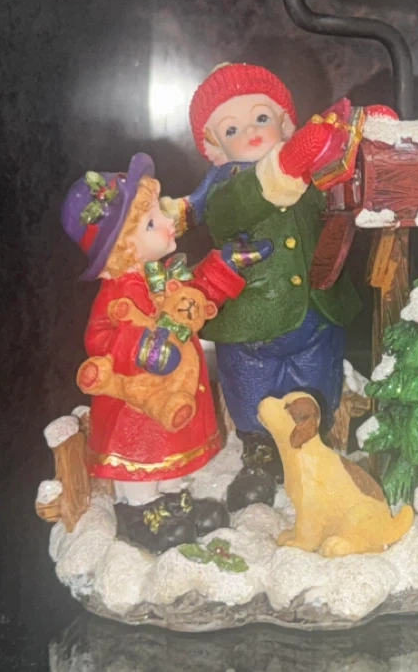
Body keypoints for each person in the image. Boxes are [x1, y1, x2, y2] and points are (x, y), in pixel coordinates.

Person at [169, 63, 369, 510]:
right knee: (251, 390)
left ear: (286, 123)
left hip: (315, 316)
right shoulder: (225, 186)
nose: (251, 132)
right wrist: (288, 164)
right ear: (215, 148)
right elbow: (232, 210)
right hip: (250, 324)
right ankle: (259, 456)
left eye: (262, 117)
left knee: (315, 387)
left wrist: (357, 143)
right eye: (232, 128)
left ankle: (311, 449)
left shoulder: (312, 170)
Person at [61, 153, 271, 550]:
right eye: (151, 222)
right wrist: (141, 348)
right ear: (123, 248)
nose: (168, 221)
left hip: (174, 394)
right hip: (136, 406)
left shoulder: (159, 277)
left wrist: (227, 265)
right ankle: (139, 510)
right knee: (142, 456)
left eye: (159, 212)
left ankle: (174, 498)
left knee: (172, 447)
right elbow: (99, 338)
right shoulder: (119, 293)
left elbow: (193, 298)